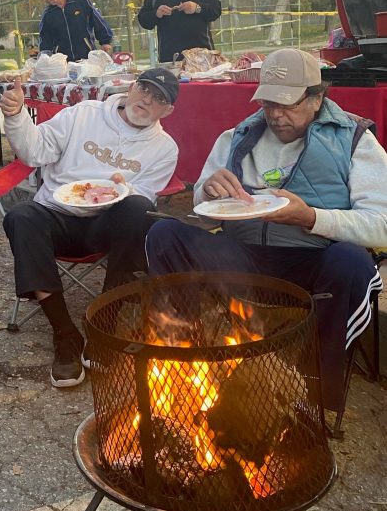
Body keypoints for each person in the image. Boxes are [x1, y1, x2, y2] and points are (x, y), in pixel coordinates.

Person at [145, 48, 387, 413]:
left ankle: (315, 390)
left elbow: (382, 226)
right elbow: (206, 214)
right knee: (164, 236)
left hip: (315, 260)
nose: (274, 114)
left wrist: (311, 218)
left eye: (287, 104)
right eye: (268, 102)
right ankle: (186, 361)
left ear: (317, 97)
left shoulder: (354, 140)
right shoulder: (238, 136)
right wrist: (208, 190)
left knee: (352, 262)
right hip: (243, 259)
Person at [0, 69, 180, 388]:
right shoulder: (83, 114)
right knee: (21, 216)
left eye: (159, 99)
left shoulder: (164, 148)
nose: (147, 101)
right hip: (57, 215)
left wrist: (127, 189)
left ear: (168, 111)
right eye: (145, 90)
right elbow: (34, 151)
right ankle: (65, 335)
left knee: (139, 209)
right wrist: (15, 117)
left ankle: (104, 323)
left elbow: (145, 195)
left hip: (106, 225)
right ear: (133, 88)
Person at [37, 0, 114, 61]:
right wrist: (45, 57)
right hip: (63, 64)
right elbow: (45, 40)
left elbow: (97, 20)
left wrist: (105, 42)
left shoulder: (80, 0)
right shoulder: (47, 14)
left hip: (87, 58)